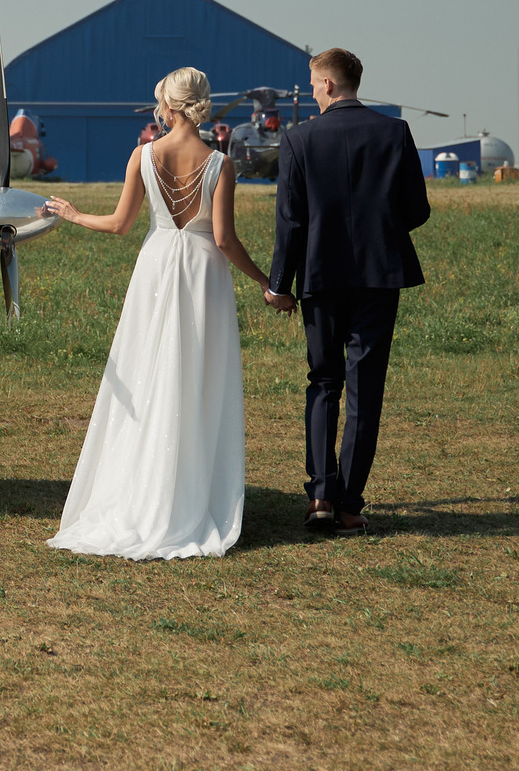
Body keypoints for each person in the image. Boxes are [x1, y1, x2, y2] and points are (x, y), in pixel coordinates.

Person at [38, 68, 278, 559]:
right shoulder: (220, 163)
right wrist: (266, 284)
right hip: (204, 273)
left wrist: (76, 214)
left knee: (148, 374)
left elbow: (121, 224)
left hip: (154, 268)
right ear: (201, 105)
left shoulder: (143, 155)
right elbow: (226, 240)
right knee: (197, 380)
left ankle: (139, 489)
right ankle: (188, 493)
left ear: (168, 107)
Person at [266, 47, 431, 536]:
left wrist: (279, 285)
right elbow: (417, 210)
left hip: (320, 277)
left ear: (330, 85)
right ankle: (350, 504)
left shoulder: (299, 140)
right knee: (365, 390)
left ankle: (319, 494)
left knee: (323, 382)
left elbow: (290, 222)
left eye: (315, 84)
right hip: (381, 276)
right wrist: (380, 230)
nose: (313, 91)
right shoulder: (395, 133)